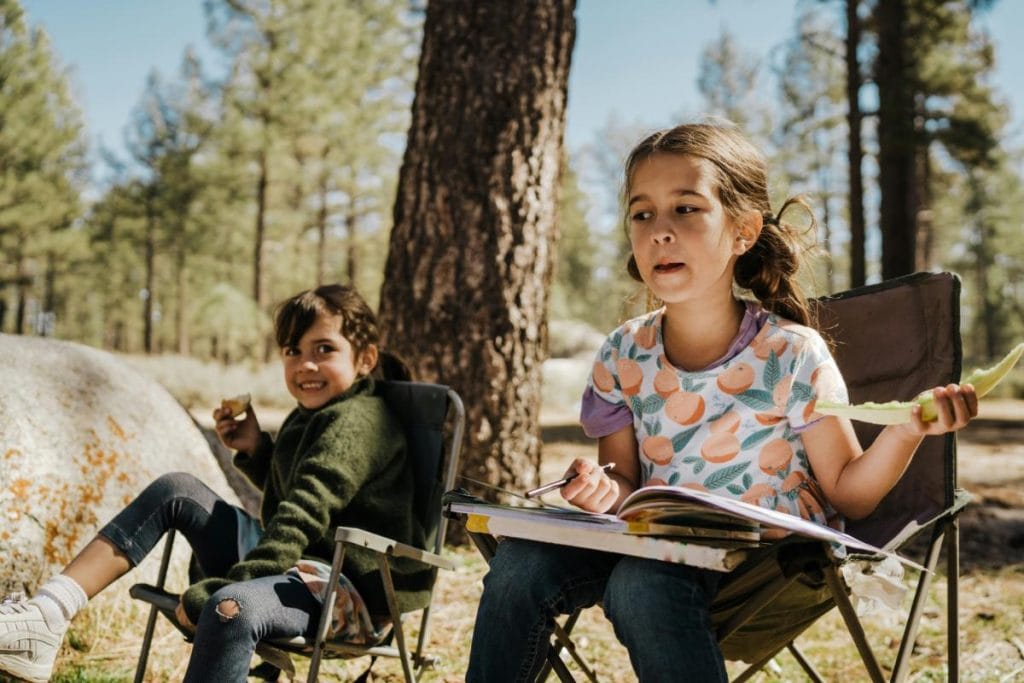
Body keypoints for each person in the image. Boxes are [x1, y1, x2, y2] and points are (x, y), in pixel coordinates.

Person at [466, 122, 979, 683]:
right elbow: (624, 487)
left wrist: (905, 430)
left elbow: (851, 496)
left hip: (764, 565)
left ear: (742, 231)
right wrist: (598, 489)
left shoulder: (790, 353)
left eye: (686, 209)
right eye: (642, 214)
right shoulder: (622, 352)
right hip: (651, 543)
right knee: (518, 564)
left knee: (642, 583)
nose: (660, 231)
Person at [0, 284, 430, 683]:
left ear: (366, 358)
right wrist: (259, 451)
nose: (306, 365)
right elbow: (310, 498)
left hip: (349, 591)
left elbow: (303, 514)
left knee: (232, 609)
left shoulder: (359, 421)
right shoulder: (315, 413)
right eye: (292, 350)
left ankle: (51, 620)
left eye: (324, 349)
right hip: (303, 565)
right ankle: (46, 616)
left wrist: (231, 585)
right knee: (177, 490)